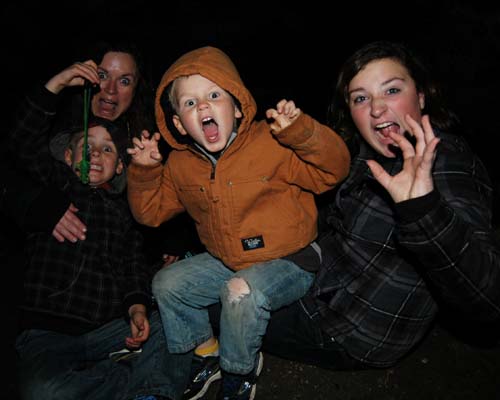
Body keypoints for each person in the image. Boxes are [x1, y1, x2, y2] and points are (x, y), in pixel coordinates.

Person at [240, 39, 500, 374]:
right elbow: (334, 221)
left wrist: (424, 210)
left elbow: (490, 297)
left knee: (215, 304)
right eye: (361, 98)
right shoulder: (365, 155)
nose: (376, 109)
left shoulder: (445, 163)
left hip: (349, 334)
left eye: (391, 90)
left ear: (421, 96)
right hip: (322, 287)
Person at [126, 45, 351, 400]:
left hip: (290, 258)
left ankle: (239, 371)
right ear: (177, 124)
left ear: (236, 105)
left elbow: (333, 171)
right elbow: (149, 213)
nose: (202, 106)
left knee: (240, 293)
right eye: (189, 103)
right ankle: (207, 353)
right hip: (228, 259)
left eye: (214, 95)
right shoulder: (181, 165)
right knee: (167, 282)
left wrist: (302, 132)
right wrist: (144, 172)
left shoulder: (272, 141)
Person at [9, 67, 193, 399]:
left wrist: (137, 306)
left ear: (120, 166)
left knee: (174, 319)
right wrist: (55, 84)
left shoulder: (123, 209)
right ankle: (134, 379)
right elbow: (23, 142)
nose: (96, 153)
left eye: (108, 149)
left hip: (111, 327)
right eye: (87, 145)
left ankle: (150, 390)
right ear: (67, 156)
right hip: (48, 331)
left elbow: (132, 263)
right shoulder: (57, 184)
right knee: (42, 390)